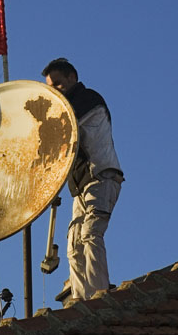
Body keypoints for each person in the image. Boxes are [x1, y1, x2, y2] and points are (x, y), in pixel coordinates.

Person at [42, 57, 123, 305]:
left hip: (101, 176)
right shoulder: (66, 109)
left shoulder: (88, 100)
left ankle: (98, 296)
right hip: (81, 187)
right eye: (50, 86)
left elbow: (68, 134)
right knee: (73, 246)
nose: (55, 89)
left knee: (90, 233)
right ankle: (80, 299)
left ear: (72, 78)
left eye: (58, 84)